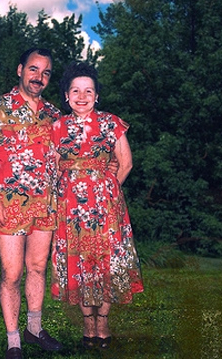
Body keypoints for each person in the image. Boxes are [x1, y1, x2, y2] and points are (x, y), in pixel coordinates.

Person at [0, 47, 63, 359]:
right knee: (12, 273)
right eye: (34, 69)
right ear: (20, 70)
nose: (39, 77)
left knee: (37, 267)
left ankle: (34, 329)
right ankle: (14, 342)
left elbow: (66, 156)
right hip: (9, 204)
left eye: (46, 73)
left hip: (46, 204)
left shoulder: (54, 115)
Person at [50, 61, 144, 351]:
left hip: (105, 208)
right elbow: (52, 167)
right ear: (66, 96)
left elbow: (125, 163)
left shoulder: (111, 123)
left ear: (97, 95)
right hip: (70, 210)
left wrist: (108, 190)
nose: (82, 96)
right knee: (79, 264)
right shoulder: (56, 127)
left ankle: (102, 322)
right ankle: (87, 324)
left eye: (88, 91)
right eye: (75, 91)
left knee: (105, 264)